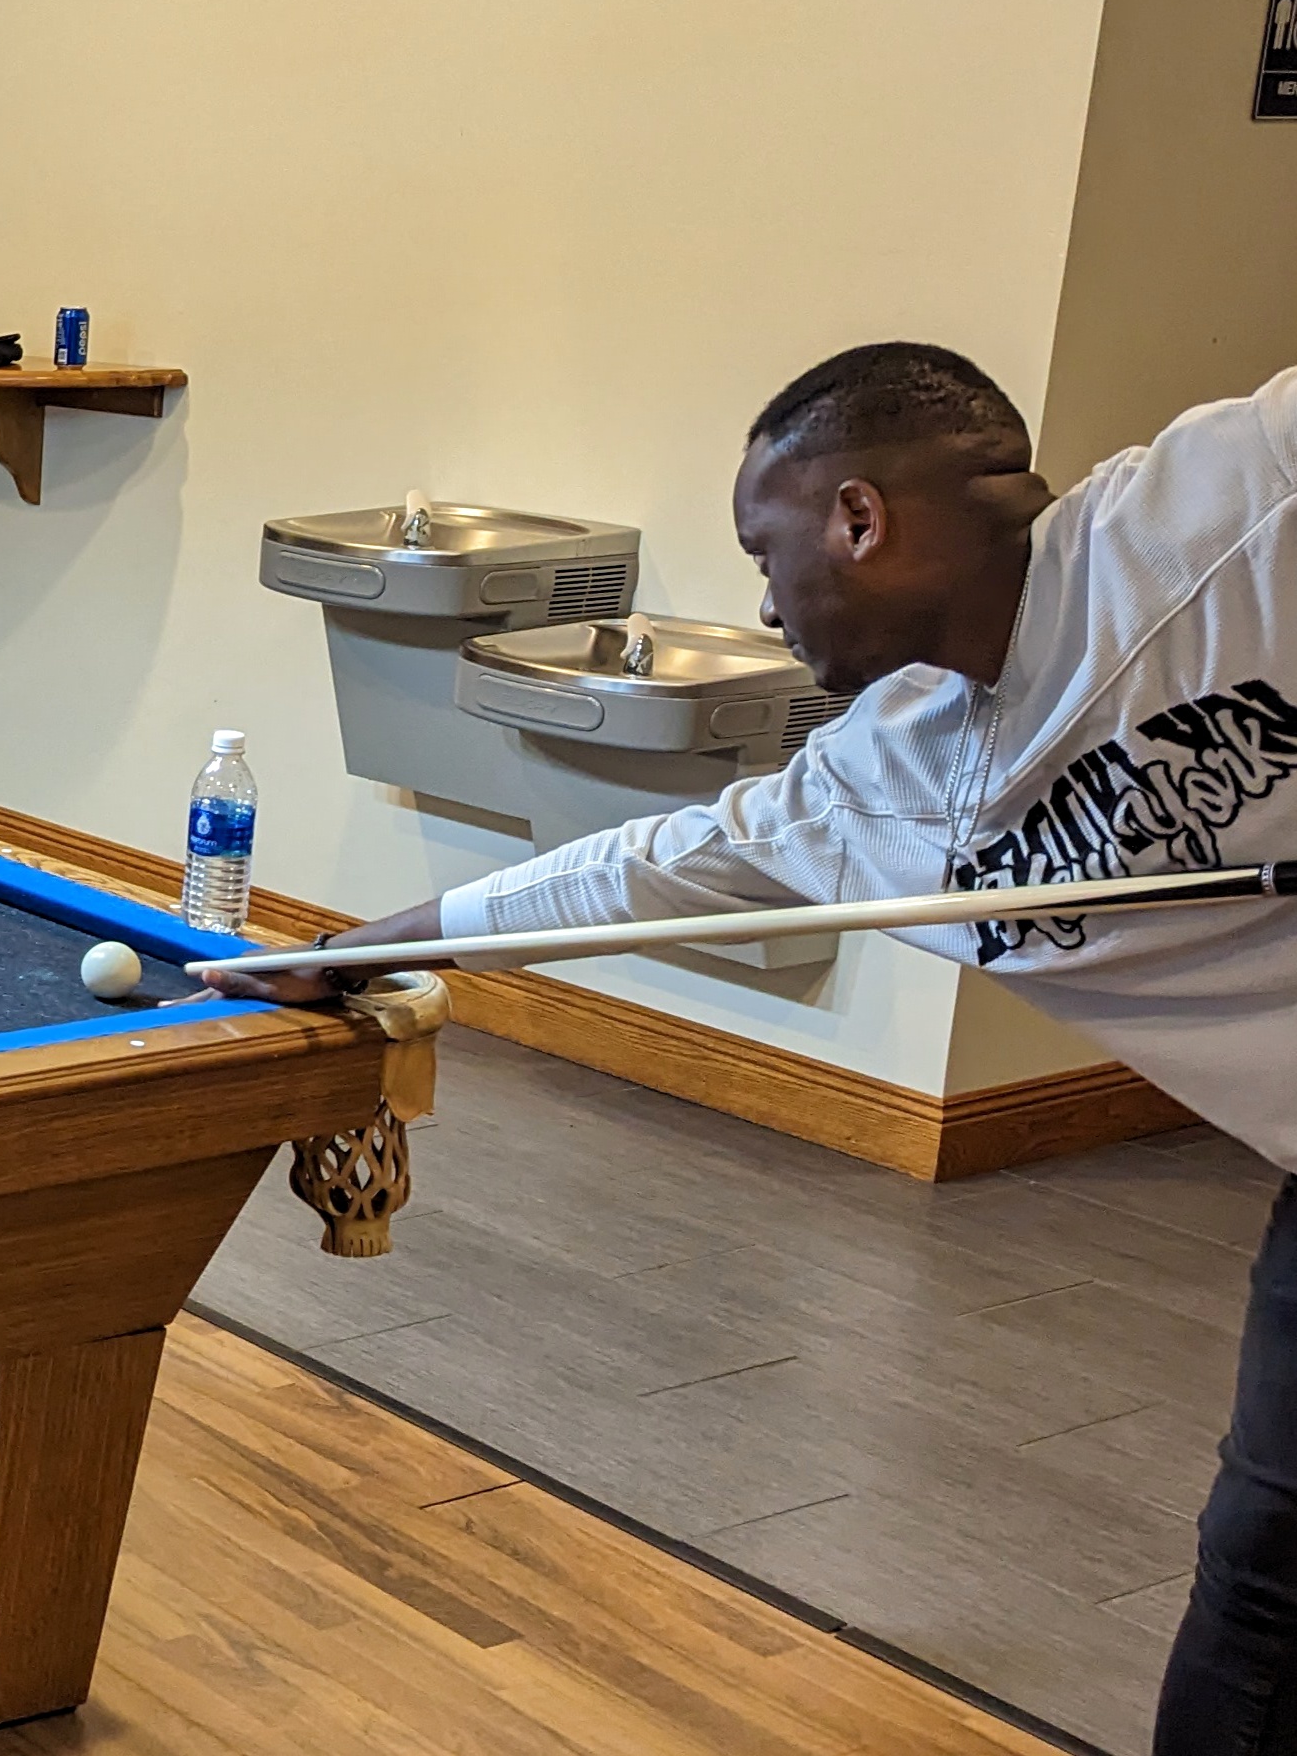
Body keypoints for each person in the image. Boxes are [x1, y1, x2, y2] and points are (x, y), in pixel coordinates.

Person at [199, 342, 1297, 1754]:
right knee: (1260, 1574)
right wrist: (359, 948)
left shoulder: (1223, 501)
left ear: (857, 518)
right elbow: (633, 873)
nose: (760, 600)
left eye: (762, 552)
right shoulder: (884, 773)